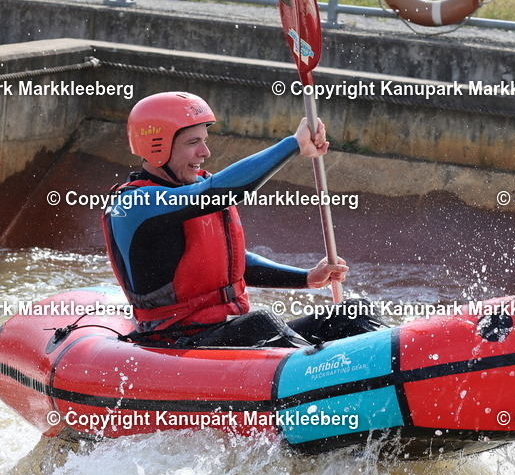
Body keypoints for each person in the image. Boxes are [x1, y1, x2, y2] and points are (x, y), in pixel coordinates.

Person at [103, 91, 384, 347]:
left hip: (228, 332)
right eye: (193, 142)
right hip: (175, 341)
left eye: (204, 141)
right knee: (261, 323)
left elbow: (231, 264)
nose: (205, 152)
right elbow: (222, 192)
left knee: (354, 312)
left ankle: (388, 367)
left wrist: (307, 278)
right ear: (157, 146)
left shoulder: (199, 187)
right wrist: (293, 145)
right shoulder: (135, 204)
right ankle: (326, 371)